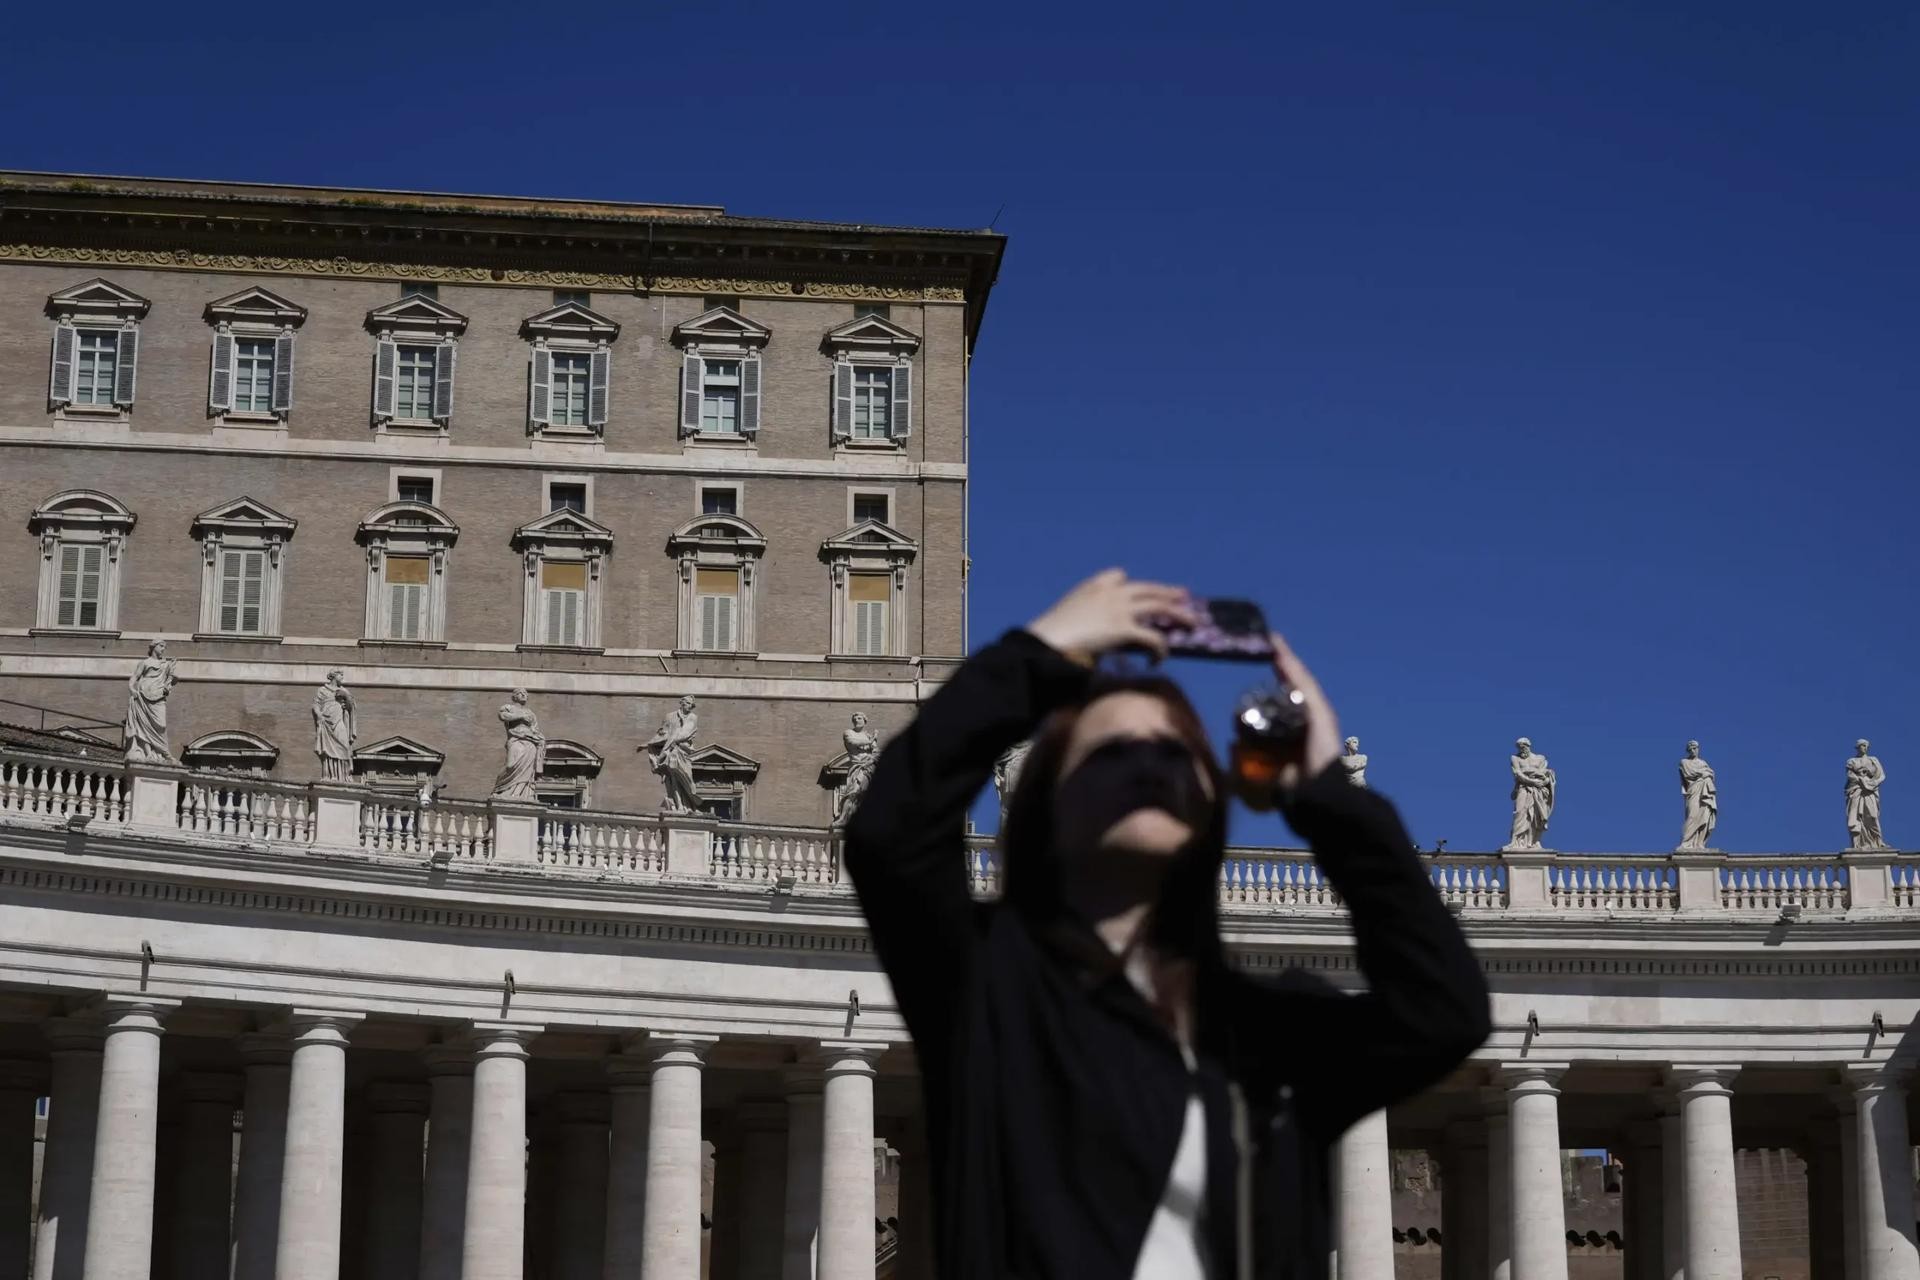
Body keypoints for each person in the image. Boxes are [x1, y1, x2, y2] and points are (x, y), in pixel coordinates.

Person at [844, 570, 1490, 1280]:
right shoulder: (988, 988)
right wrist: (1042, 650)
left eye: (1175, 751)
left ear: (1213, 799)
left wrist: (1327, 795)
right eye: (1112, 752)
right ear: (1043, 806)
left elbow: (1443, 1011)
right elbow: (891, 835)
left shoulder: (1266, 1035)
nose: (1148, 765)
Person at [642, 696, 699, 813]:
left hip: (684, 751)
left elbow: (685, 734)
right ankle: (679, 805)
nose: (690, 706)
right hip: (671, 751)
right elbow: (663, 734)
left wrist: (672, 740)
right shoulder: (670, 716)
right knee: (673, 777)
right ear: (682, 703)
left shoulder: (693, 717)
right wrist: (649, 743)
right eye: (688, 703)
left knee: (687, 777)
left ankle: (689, 805)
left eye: (691, 705)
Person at [124, 640, 177, 763]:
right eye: (161, 646)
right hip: (143, 694)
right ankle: (149, 753)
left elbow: (170, 681)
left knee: (161, 725)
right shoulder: (145, 663)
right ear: (154, 647)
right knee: (143, 724)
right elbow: (135, 677)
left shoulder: (165, 664)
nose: (163, 649)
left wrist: (169, 679)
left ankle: (162, 751)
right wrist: (131, 688)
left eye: (164, 647)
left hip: (158, 695)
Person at [491, 689, 546, 801]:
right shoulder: (508, 707)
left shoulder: (530, 713)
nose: (524, 695)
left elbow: (534, 728)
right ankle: (500, 789)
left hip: (530, 742)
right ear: (514, 696)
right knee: (510, 766)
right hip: (515, 739)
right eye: (521, 693)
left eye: (526, 694)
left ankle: (519, 794)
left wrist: (539, 738)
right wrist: (520, 716)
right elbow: (503, 716)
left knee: (527, 770)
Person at [1504, 737, 1555, 851]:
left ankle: (1534, 842)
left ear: (1528, 746)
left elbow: (1546, 775)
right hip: (1523, 788)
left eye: (1523, 747)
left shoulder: (1540, 758)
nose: (1521, 749)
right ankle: (1515, 841)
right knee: (1520, 813)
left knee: (1536, 817)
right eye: (1519, 747)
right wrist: (1533, 781)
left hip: (1539, 791)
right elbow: (1518, 774)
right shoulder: (1515, 758)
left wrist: (1544, 780)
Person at [834, 712, 881, 825]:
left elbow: (877, 752)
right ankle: (843, 818)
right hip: (856, 767)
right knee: (852, 792)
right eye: (854, 719)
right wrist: (870, 741)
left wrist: (871, 760)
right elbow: (852, 742)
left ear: (865, 721)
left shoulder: (868, 736)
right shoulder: (849, 733)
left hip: (868, 767)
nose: (856, 720)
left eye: (859, 718)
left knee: (865, 793)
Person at [312, 670, 356, 782]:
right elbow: (316, 704)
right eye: (340, 675)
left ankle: (344, 776)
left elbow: (351, 707)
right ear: (333, 676)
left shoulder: (344, 691)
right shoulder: (322, 690)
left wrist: (346, 696)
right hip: (326, 722)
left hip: (339, 721)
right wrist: (319, 715)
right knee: (328, 750)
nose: (342, 677)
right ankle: (331, 776)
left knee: (344, 746)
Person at [1845, 739, 1887, 851]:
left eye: (1866, 746)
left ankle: (1877, 841)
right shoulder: (1852, 761)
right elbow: (1850, 775)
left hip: (1870, 790)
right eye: (1862, 745)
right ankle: (1857, 843)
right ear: (1857, 747)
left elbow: (1882, 776)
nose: (1865, 747)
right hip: (1857, 790)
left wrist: (1871, 783)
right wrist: (1860, 780)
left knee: (1872, 816)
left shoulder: (1873, 760)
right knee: (1857, 818)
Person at [1677, 740, 1717, 851]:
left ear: (1698, 749)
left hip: (1705, 792)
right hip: (1693, 790)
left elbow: (1711, 773)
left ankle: (1699, 843)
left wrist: (1707, 774)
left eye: (1695, 748)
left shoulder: (1703, 763)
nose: (1693, 750)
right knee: (1692, 816)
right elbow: (1689, 773)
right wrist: (1704, 773)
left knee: (1705, 816)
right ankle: (1686, 843)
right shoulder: (1684, 762)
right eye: (1690, 749)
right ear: (1688, 750)